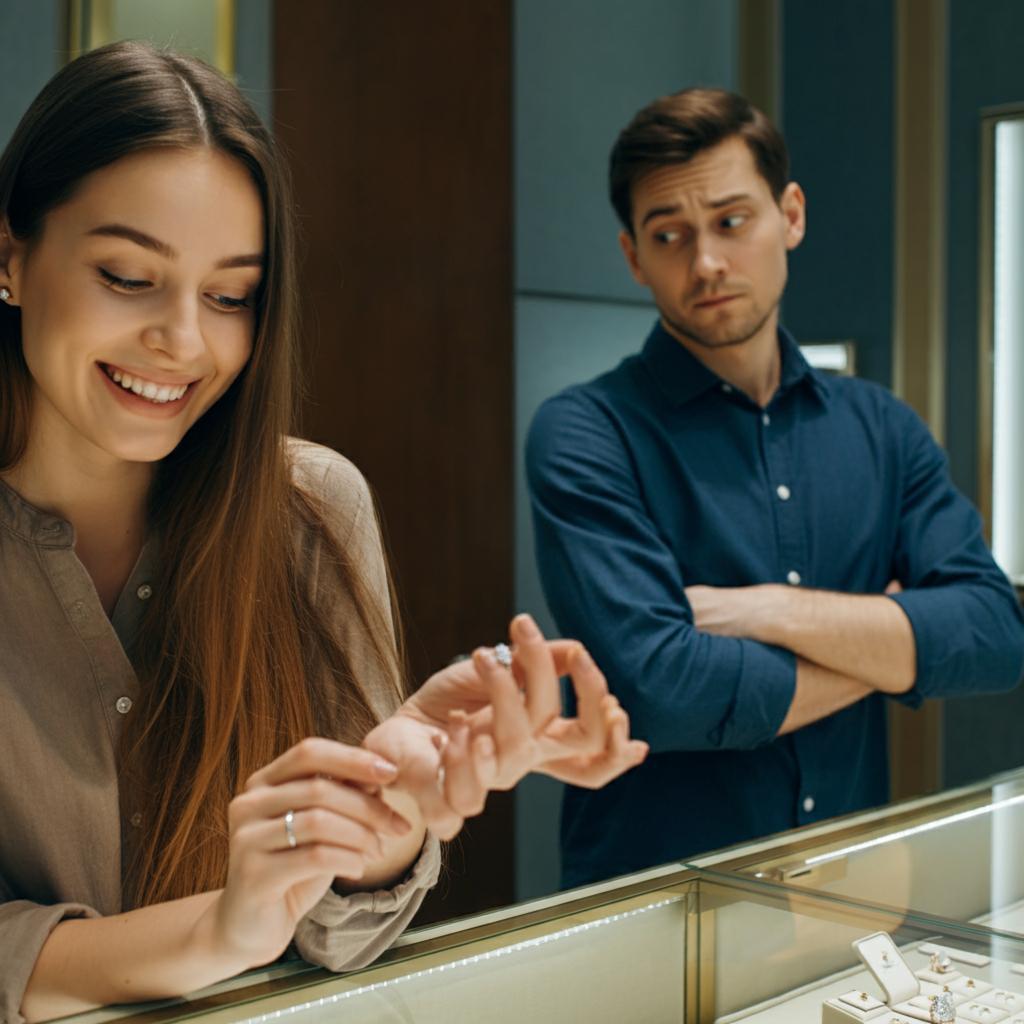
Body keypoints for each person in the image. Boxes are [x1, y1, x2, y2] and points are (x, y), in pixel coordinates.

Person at [0, 42, 648, 1023]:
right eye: (128, 275)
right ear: (10, 258)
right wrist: (219, 931)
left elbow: (341, 934)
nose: (184, 340)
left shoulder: (311, 506)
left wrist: (381, 821)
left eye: (231, 296)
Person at [526, 87, 1024, 889]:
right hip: (657, 903)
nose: (707, 262)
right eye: (670, 236)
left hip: (853, 888)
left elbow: (994, 635)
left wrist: (767, 610)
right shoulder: (586, 432)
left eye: (731, 221)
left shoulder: (883, 428)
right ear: (634, 257)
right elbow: (665, 694)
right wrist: (891, 648)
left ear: (789, 214)